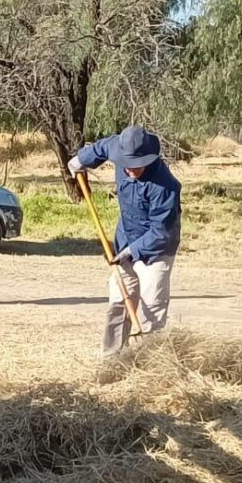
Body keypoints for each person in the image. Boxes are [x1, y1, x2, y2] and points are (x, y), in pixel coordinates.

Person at [69, 125, 182, 357]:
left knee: (152, 310)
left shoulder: (166, 186)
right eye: (126, 165)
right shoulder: (118, 149)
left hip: (155, 252)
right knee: (118, 304)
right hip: (124, 242)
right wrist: (79, 160)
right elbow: (101, 147)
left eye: (136, 166)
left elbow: (161, 231)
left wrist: (133, 250)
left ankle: (151, 365)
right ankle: (112, 361)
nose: (130, 170)